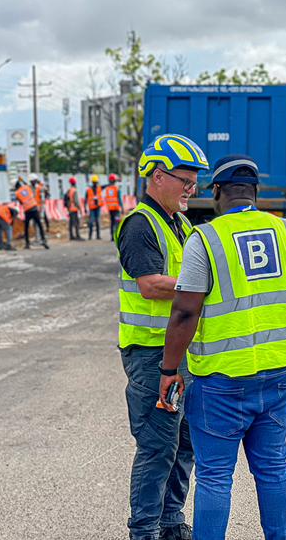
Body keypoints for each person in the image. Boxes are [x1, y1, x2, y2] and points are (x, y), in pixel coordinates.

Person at [158, 154, 286, 540]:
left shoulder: (206, 238)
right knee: (272, 468)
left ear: (216, 192)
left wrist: (168, 370)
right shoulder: (285, 230)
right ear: (255, 193)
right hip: (278, 373)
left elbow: (184, 312)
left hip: (221, 378)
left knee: (215, 476)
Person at [115, 133, 209, 540]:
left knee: (183, 445)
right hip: (152, 357)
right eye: (184, 180)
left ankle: (171, 524)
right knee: (157, 448)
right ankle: (145, 531)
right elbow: (150, 285)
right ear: (156, 177)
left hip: (180, 354)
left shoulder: (181, 223)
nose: (192, 189)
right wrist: (204, 283)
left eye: (194, 182)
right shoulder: (140, 225)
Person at [15, 175, 49, 250]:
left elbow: (21, 202)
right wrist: (22, 180)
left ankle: (28, 243)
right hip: (34, 208)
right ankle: (43, 240)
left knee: (27, 227)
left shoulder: (17, 192)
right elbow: (26, 185)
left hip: (28, 210)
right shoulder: (27, 187)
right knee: (39, 225)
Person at [105, 173, 123, 241]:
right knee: (117, 222)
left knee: (112, 222)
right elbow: (119, 199)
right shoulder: (116, 188)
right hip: (116, 208)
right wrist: (122, 207)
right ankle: (117, 236)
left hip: (110, 208)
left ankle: (112, 236)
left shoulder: (107, 189)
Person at [65, 176, 83, 240]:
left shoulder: (69, 190)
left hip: (70, 208)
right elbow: (76, 201)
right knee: (76, 223)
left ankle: (71, 236)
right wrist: (79, 208)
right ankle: (77, 235)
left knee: (71, 223)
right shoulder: (74, 190)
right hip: (74, 209)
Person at [85, 174, 103, 240]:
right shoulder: (89, 189)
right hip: (92, 207)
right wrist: (84, 208)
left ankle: (98, 235)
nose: (95, 183)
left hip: (97, 206)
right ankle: (90, 235)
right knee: (91, 222)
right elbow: (86, 198)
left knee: (98, 221)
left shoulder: (99, 188)